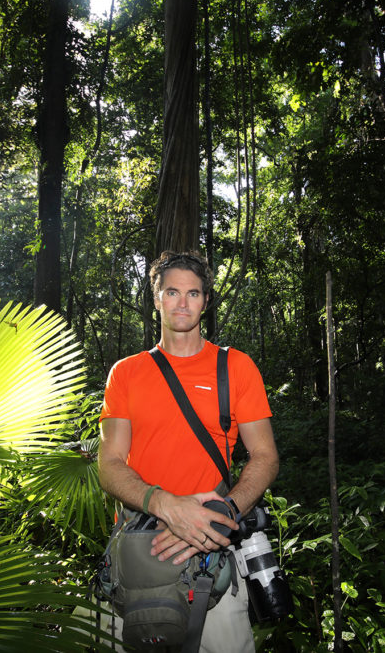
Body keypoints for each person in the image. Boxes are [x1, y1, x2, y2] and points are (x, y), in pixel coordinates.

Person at [98, 251, 279, 652]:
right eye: (172, 292)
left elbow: (264, 455)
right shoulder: (126, 373)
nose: (183, 302)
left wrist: (226, 513)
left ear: (206, 300)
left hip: (212, 553)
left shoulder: (236, 367)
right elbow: (109, 464)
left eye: (193, 293)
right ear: (157, 298)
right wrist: (164, 504)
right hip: (142, 547)